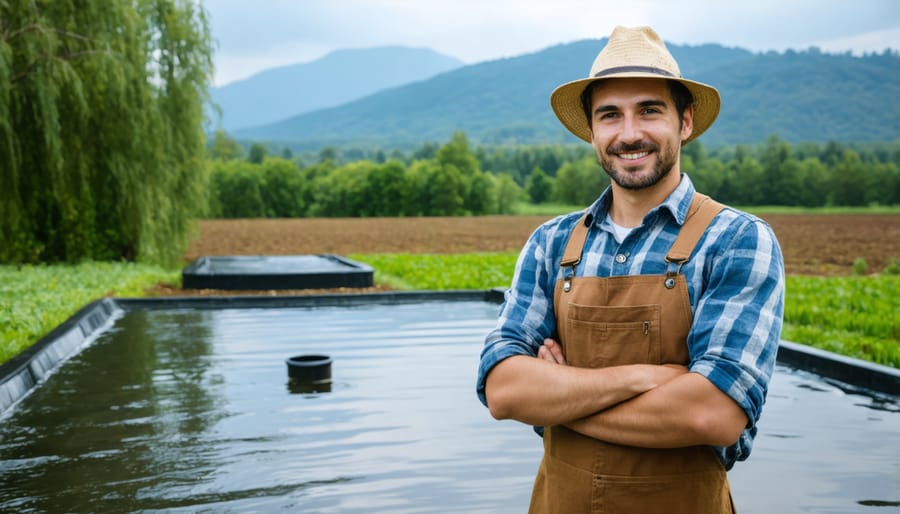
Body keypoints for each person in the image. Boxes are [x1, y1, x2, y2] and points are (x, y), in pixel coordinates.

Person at [476, 26, 784, 513]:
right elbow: (504, 390)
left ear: (684, 123)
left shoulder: (737, 241)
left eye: (649, 110)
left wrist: (561, 399)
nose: (629, 133)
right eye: (610, 115)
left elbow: (715, 414)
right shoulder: (550, 244)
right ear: (593, 133)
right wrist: (646, 376)